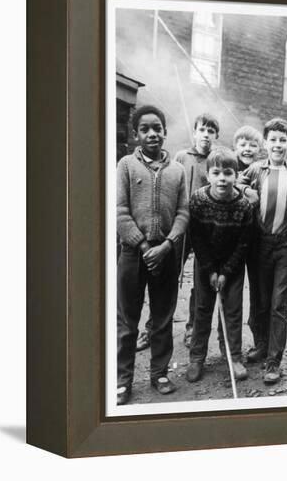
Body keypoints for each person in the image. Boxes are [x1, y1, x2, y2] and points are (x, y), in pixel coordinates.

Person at [116, 105, 188, 405]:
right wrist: (143, 246)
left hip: (167, 254)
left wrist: (168, 245)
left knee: (162, 318)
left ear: (165, 132)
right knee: (127, 320)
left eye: (157, 128)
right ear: (136, 135)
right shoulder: (126, 166)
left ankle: (159, 373)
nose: (152, 134)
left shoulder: (177, 170)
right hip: (134, 256)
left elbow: (184, 212)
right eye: (145, 129)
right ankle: (123, 379)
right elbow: (119, 211)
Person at [239, 118, 287, 385]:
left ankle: (274, 360)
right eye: (272, 139)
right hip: (260, 244)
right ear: (265, 143)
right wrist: (247, 190)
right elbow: (236, 180)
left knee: (278, 304)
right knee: (260, 301)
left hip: (286, 245)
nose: (277, 144)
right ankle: (261, 345)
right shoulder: (255, 169)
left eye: (282, 140)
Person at [135, 113, 220, 351]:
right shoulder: (182, 157)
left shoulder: (217, 160)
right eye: (202, 130)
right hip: (179, 226)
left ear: (216, 136)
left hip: (205, 229)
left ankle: (192, 328)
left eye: (211, 131)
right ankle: (153, 328)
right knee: (166, 277)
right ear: (194, 132)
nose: (206, 135)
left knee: (201, 281)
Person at [185, 147, 254, 383]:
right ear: (208, 175)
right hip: (205, 263)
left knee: (233, 311)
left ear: (236, 175)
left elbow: (244, 244)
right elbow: (197, 239)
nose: (222, 178)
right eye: (216, 173)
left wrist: (226, 272)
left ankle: (233, 356)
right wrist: (210, 270)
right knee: (202, 309)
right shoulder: (198, 200)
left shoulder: (244, 206)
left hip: (232, 266)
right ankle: (197, 358)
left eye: (228, 172)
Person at [232, 125, 263, 354]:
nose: (248, 149)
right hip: (231, 241)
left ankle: (258, 339)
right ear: (236, 146)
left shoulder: (261, 170)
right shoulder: (227, 168)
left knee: (257, 291)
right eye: (243, 144)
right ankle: (194, 328)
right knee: (228, 290)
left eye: (253, 145)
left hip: (254, 239)